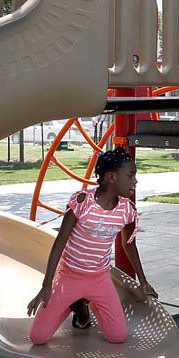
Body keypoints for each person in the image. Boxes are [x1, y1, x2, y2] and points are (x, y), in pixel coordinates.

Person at [26, 147, 156, 346]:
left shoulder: (127, 211)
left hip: (99, 278)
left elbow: (129, 245)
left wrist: (144, 281)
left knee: (118, 336)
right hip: (69, 276)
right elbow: (60, 242)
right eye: (130, 175)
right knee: (38, 337)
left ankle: (91, 302)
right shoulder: (82, 202)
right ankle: (76, 304)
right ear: (112, 176)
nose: (135, 181)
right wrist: (46, 285)